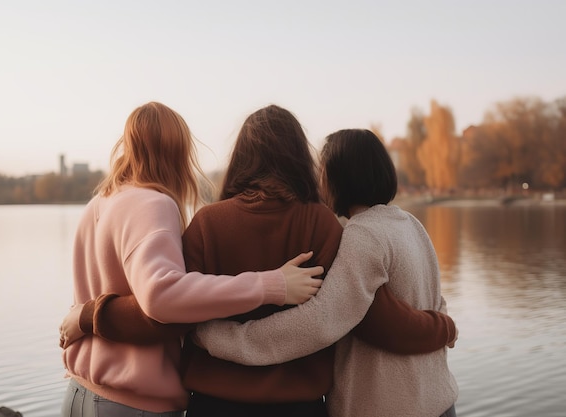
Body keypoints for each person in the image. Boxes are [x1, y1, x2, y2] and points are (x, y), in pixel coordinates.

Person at [61, 107, 457, 417]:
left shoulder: (206, 223)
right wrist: (441, 325)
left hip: (215, 404)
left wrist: (88, 316)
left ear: (242, 157)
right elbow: (362, 314)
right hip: (299, 407)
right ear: (299, 156)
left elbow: (174, 316)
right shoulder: (323, 223)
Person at [60, 101, 327, 417]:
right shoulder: (153, 204)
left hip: (79, 393)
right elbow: (163, 300)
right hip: (131, 403)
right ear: (178, 151)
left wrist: (85, 316)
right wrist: (270, 284)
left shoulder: (98, 205)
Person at [194, 128, 459, 417]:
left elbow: (322, 321)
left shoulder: (363, 235)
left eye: (324, 170)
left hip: (390, 405)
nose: (318, 179)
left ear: (340, 176)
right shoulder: (411, 225)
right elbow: (436, 302)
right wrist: (446, 327)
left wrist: (222, 338)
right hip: (439, 399)